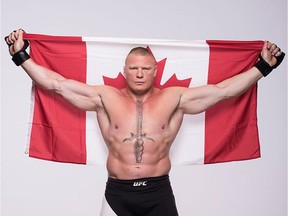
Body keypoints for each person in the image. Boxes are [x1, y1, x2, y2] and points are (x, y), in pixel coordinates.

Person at [5, 29, 285, 216]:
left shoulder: (175, 98)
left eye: (145, 68)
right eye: (134, 68)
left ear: (155, 71)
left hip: (158, 193)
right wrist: (21, 56)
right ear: (124, 71)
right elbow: (56, 84)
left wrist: (262, 66)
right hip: (117, 193)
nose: (139, 73)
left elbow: (224, 92)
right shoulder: (105, 97)